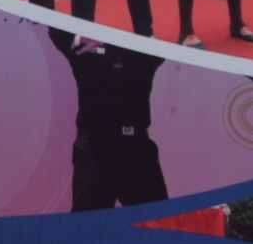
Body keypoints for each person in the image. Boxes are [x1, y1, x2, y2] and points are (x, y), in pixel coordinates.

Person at [50, 25, 167, 211]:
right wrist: (81, 37)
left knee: (158, 222)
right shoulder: (85, 51)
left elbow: (171, 42)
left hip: (136, 149)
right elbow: (56, 32)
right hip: (94, 149)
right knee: (87, 225)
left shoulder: (145, 53)